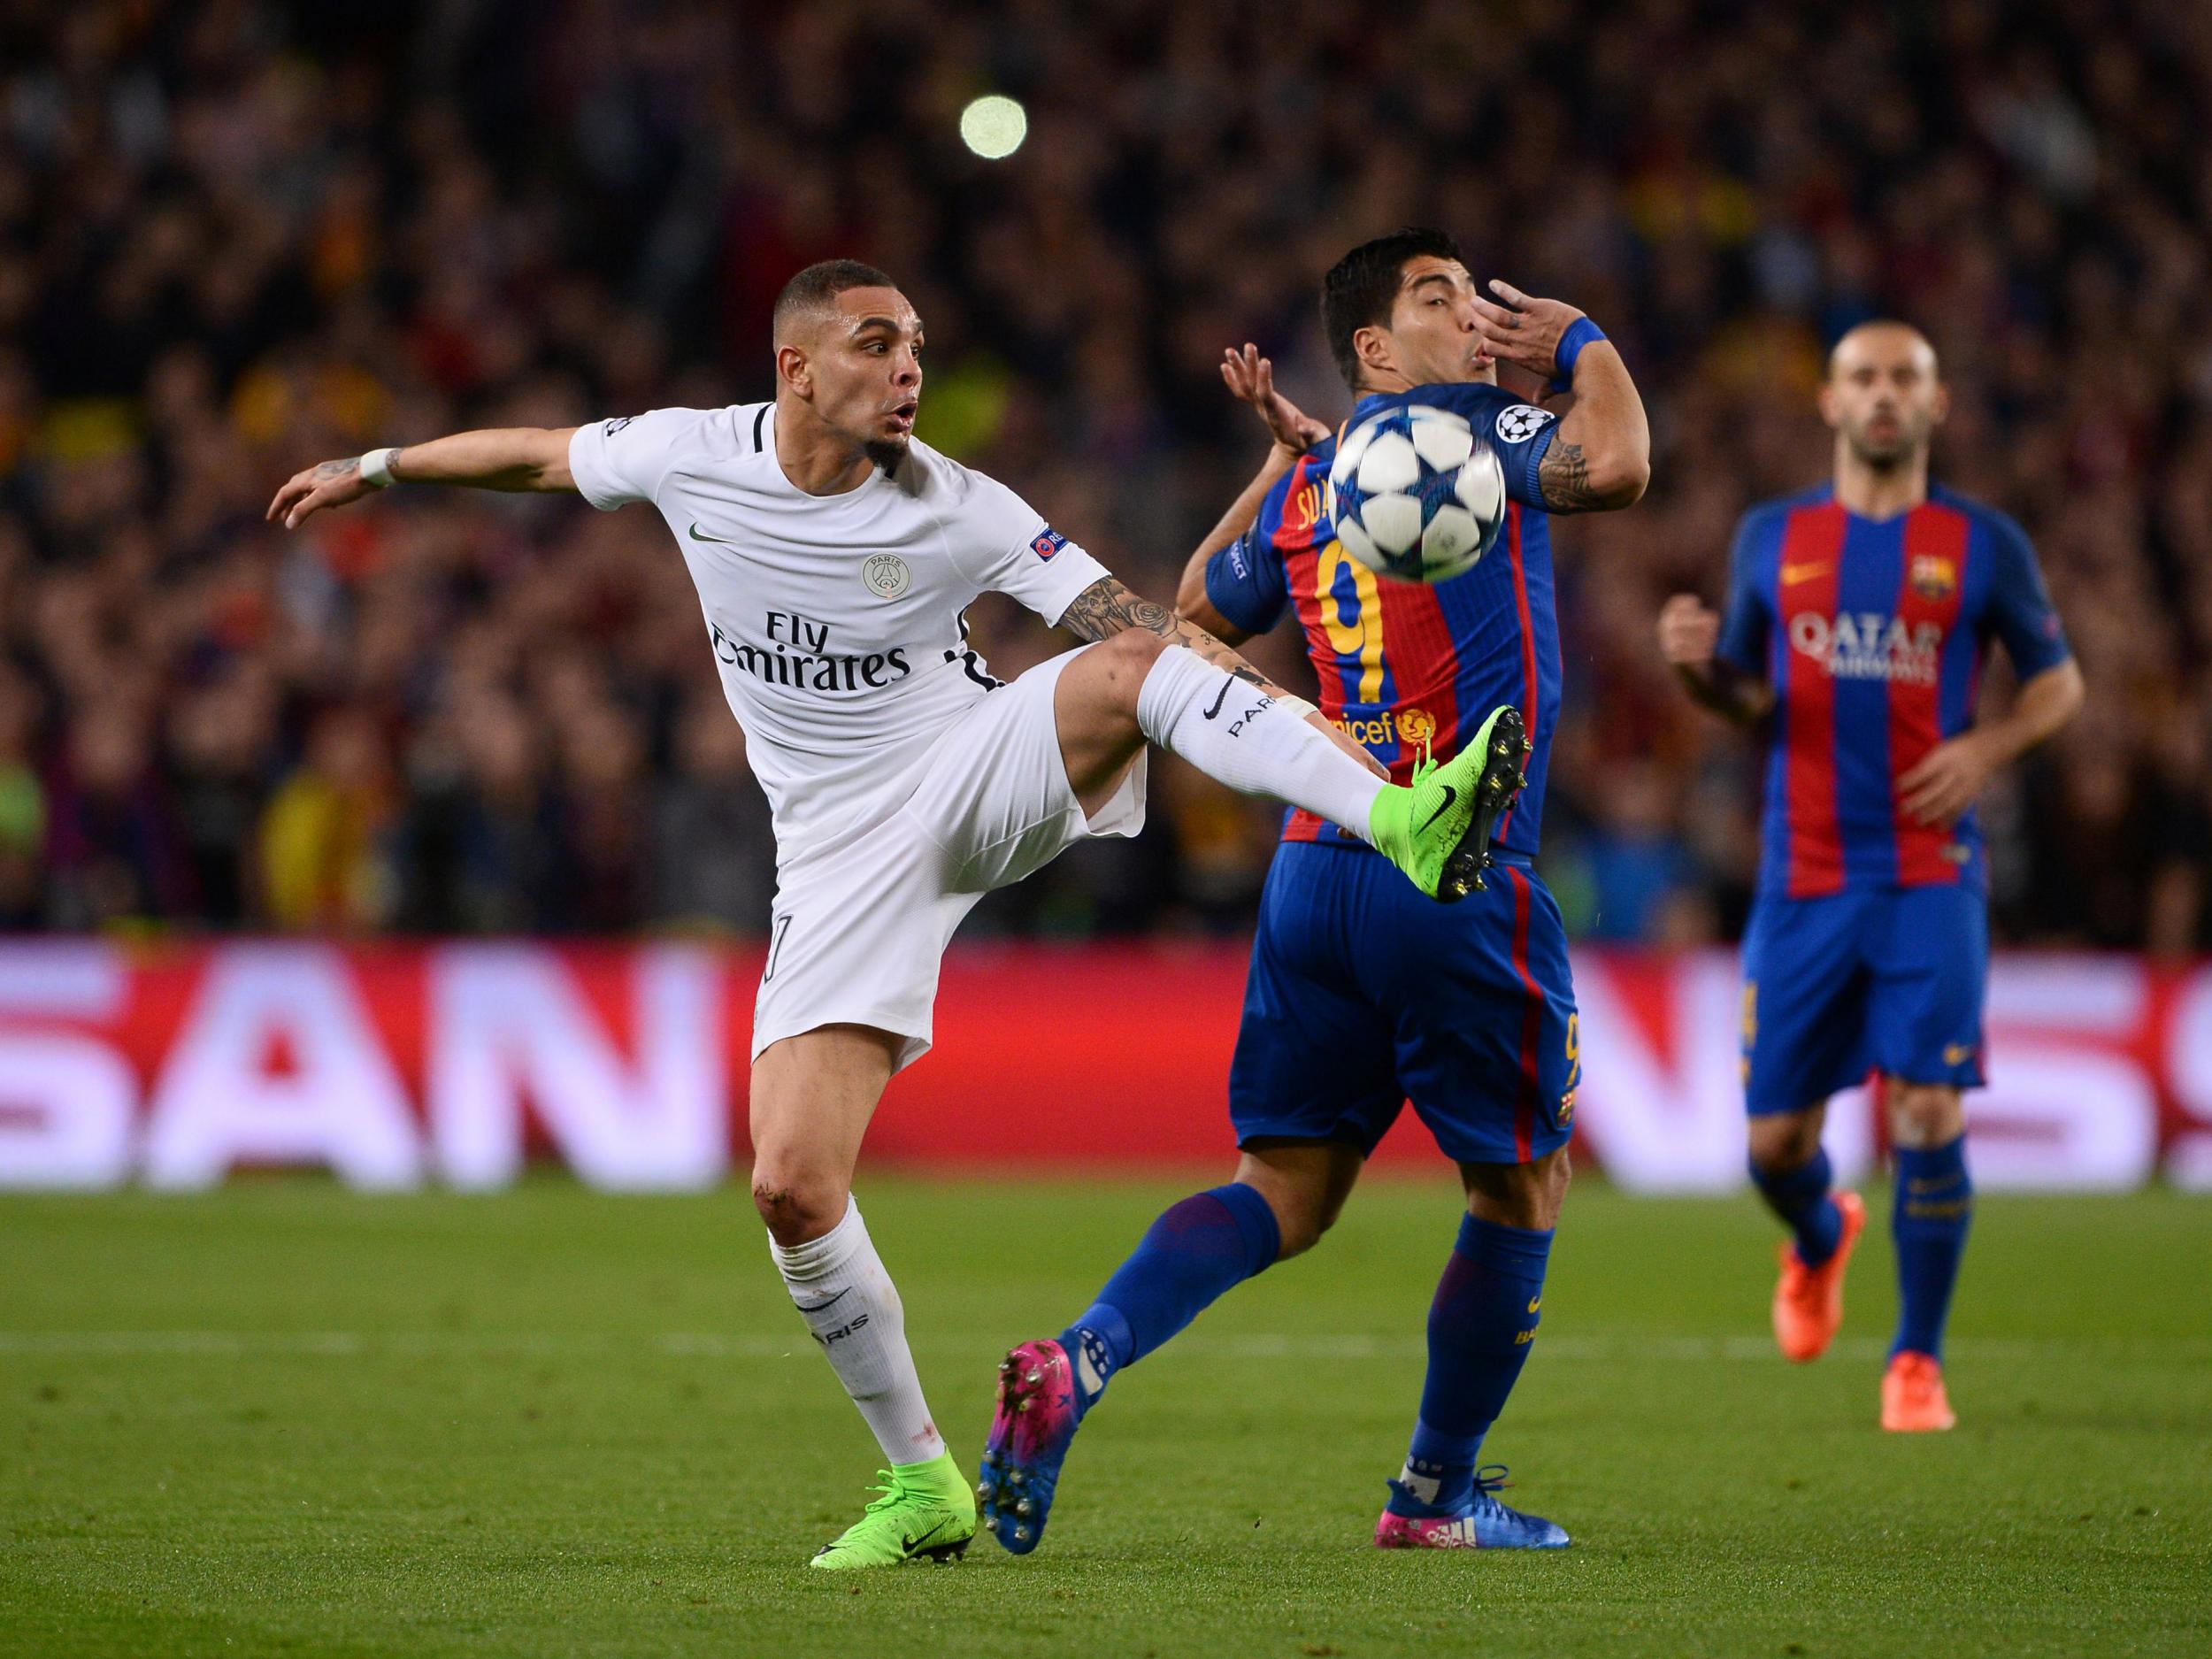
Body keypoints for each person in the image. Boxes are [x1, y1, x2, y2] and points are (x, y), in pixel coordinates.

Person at [268, 258, 1528, 1568]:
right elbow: (540, 458)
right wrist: (383, 465)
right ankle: (924, 1480)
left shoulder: (962, 506)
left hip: (967, 771)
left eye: (919, 343)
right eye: (878, 344)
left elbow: (1152, 627)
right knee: (791, 1186)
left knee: (1132, 662)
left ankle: (1401, 816)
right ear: (798, 369)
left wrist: (1344, 750)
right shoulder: (693, 456)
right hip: (829, 857)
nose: (911, 368)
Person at [976, 227, 1650, 1555]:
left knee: (1281, 1186)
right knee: (1521, 1187)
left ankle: (1082, 1356)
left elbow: (1184, 616)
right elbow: (1620, 462)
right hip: (1458, 867)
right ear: (1375, 352)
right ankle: (1435, 1495)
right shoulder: (1475, 431)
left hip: (1315, 873)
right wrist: (1580, 339)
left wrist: (1284, 457)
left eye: (1478, 296)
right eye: (1441, 300)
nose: (1477, 320)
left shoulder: (1314, 485)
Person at [1657, 320, 2082, 1431]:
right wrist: (1704, 680)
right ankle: (1819, 1233)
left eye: (1905, 378)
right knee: (1774, 1147)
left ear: (1936, 406)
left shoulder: (1982, 543)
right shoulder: (1772, 538)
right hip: (1802, 878)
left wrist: (1985, 749)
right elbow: (1753, 700)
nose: (1883, 395)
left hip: (1929, 876)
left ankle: (1915, 1360)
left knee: (1930, 1109)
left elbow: (2057, 685)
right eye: (1862, 378)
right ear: (1829, 404)